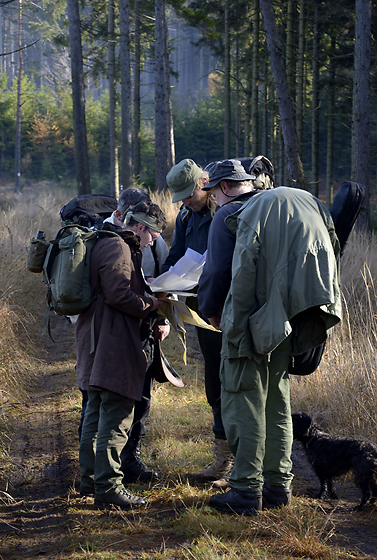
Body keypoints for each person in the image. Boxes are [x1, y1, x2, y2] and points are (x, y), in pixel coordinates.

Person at [198, 166, 342, 515]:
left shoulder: (230, 214)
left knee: (243, 398)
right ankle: (279, 486)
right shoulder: (299, 201)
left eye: (214, 193)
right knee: (277, 399)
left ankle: (246, 489)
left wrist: (211, 312)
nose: (213, 201)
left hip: (250, 319)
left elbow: (217, 272)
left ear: (226, 187)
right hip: (290, 319)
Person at [76, 200, 168, 510]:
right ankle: (108, 487)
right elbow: (117, 294)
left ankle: (90, 477)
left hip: (98, 335)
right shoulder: (118, 246)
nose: (154, 239)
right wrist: (151, 305)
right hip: (113, 339)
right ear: (139, 226)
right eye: (153, 233)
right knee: (116, 411)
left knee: (96, 408)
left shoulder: (104, 239)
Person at [162, 158, 242, 485]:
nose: (184, 201)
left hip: (231, 308)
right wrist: (161, 281)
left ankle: (247, 463)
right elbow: (178, 256)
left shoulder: (228, 212)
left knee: (238, 378)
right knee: (214, 380)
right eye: (179, 196)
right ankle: (222, 460)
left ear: (204, 183)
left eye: (188, 194)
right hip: (201, 308)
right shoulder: (184, 217)